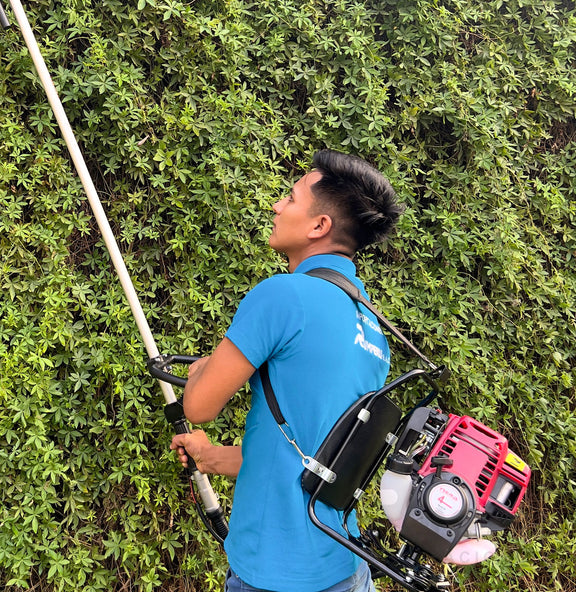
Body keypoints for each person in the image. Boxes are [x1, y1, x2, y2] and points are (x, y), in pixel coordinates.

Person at [170, 149, 405, 592]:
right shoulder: (372, 327)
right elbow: (317, 455)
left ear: (320, 226)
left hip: (274, 573)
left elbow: (198, 406)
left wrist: (203, 368)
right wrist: (211, 456)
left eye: (291, 199)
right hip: (347, 566)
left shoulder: (283, 295)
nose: (277, 206)